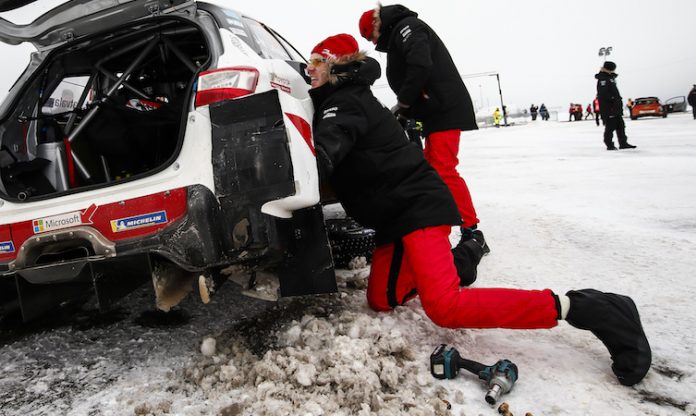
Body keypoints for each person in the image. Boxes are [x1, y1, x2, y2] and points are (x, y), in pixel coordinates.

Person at [307, 33, 651, 388]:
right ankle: (464, 258)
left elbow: (328, 147)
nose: (309, 69)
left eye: (316, 62)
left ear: (335, 65)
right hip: (394, 220)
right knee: (382, 299)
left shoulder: (344, 103)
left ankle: (587, 307)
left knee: (445, 307)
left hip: (417, 208)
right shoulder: (342, 99)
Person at [358, 5, 489, 267]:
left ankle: (472, 232)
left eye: (370, 37)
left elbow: (420, 63)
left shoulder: (408, 27)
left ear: (375, 25)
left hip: (445, 109)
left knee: (444, 169)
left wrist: (405, 103)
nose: (373, 42)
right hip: (435, 111)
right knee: (435, 169)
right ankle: (448, 226)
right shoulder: (400, 31)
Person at [595, 61, 636, 150]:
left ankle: (623, 143)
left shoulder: (610, 78)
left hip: (616, 107)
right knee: (610, 127)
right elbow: (603, 94)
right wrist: (613, 100)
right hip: (609, 108)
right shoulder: (603, 79)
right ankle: (609, 145)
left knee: (620, 126)